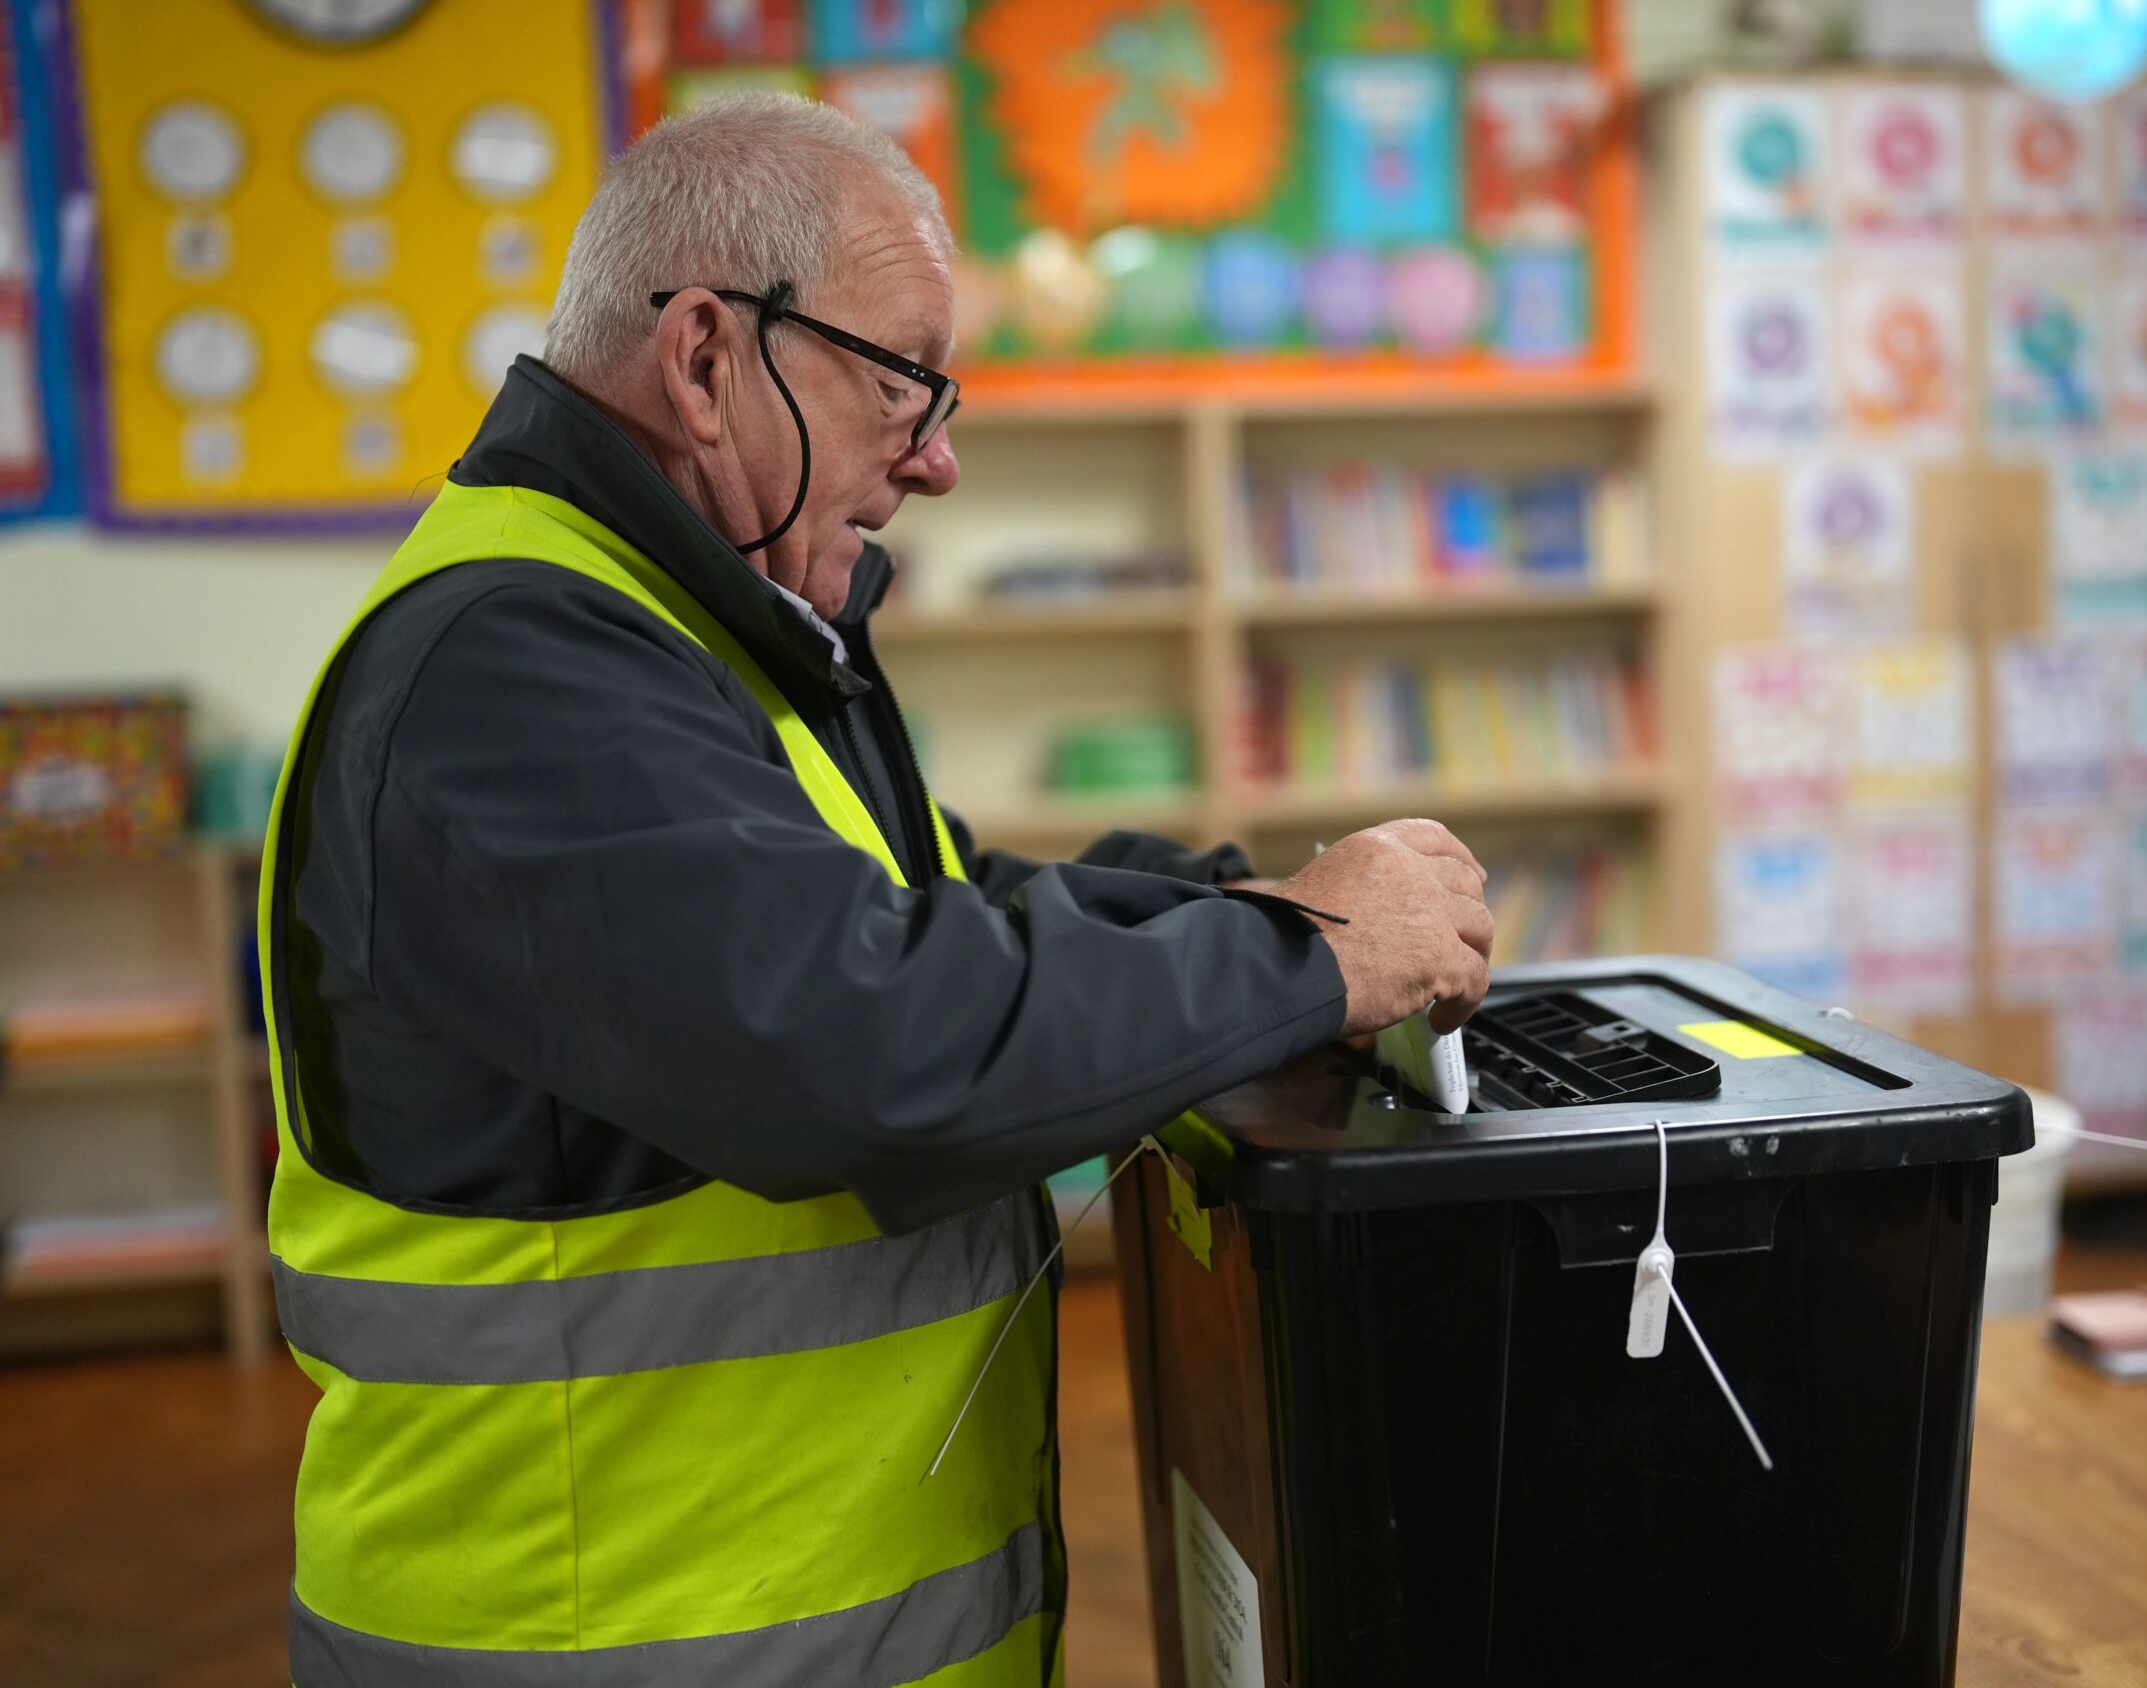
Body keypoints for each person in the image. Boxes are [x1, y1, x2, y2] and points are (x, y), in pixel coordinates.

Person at [261, 94, 1493, 1687]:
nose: (939, 457)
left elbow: (929, 905)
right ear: (706, 358)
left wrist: (1236, 903)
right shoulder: (512, 667)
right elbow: (875, 1046)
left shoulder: (697, 624)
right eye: (902, 377)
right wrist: (1305, 954)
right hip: (597, 1638)